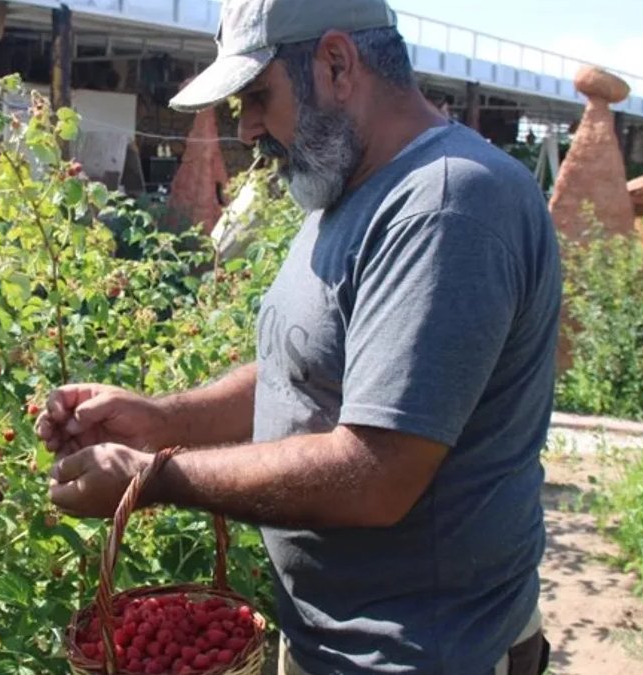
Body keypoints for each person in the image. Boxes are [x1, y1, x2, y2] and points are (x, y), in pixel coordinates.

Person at [36, 1, 561, 673]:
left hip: (423, 652)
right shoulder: (346, 184)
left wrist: (156, 477)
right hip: (335, 640)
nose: (249, 125)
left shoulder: (447, 205)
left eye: (258, 95)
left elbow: (378, 471)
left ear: (338, 64)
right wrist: (159, 419)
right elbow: (302, 372)